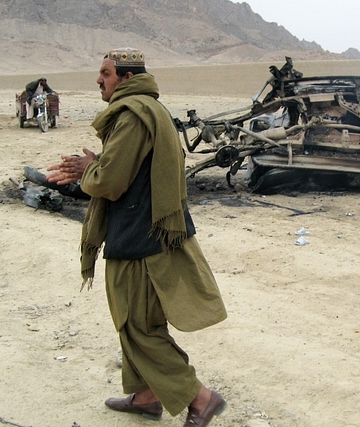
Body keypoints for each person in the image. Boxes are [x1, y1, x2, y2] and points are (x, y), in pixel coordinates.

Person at [46, 48, 227, 426]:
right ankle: (146, 397)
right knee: (135, 320)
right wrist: (97, 164)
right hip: (147, 233)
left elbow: (110, 181)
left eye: (106, 73)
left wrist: (88, 169)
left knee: (138, 325)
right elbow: (131, 169)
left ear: (127, 79)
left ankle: (201, 399)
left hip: (140, 241)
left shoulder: (131, 115)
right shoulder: (149, 109)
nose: (99, 80)